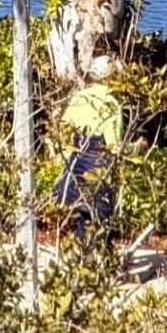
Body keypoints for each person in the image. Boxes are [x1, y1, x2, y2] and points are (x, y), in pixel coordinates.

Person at [54, 56, 126, 249]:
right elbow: (114, 145)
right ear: (110, 77)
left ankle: (82, 256)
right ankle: (99, 259)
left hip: (76, 162)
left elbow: (65, 128)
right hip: (98, 164)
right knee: (101, 216)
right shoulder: (112, 103)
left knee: (84, 213)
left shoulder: (79, 97)